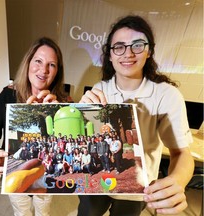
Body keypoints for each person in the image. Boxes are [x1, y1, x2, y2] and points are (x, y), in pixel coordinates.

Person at [77, 15, 194, 216]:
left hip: (136, 191)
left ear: (148, 51)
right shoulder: (99, 89)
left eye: (137, 45)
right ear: (110, 55)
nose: (128, 53)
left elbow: (181, 153)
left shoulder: (167, 95)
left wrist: (177, 182)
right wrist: (81, 114)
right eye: (119, 47)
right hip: (98, 181)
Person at [0, 37, 68, 216]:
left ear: (57, 71)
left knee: (43, 211)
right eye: (38, 61)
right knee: (22, 212)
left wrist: (56, 112)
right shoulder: (8, 95)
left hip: (45, 174)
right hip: (15, 171)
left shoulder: (62, 103)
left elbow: (66, 143)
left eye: (52, 65)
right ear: (28, 62)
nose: (43, 70)